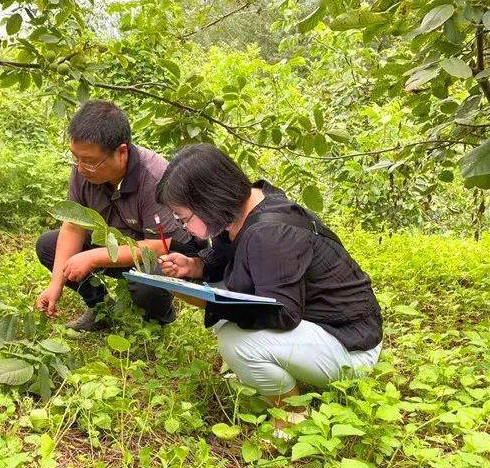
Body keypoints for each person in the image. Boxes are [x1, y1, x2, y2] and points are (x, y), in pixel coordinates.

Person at [155, 144, 383, 434]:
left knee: (236, 342)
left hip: (351, 347)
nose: (184, 227)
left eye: (184, 218)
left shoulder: (269, 233)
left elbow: (281, 313)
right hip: (321, 326)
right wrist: (193, 266)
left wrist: (206, 302)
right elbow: (225, 258)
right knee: (225, 307)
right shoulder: (244, 209)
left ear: (209, 200)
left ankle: (292, 412)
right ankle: (276, 374)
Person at [35, 100, 192, 331]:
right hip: (115, 245)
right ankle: (101, 309)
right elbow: (73, 226)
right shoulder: (84, 169)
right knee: (48, 244)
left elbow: (158, 246)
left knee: (148, 283)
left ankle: (156, 323)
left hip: (165, 255)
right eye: (75, 158)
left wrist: (93, 257)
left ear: (121, 152)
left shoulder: (154, 176)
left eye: (88, 161)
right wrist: (55, 283)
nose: (79, 168)